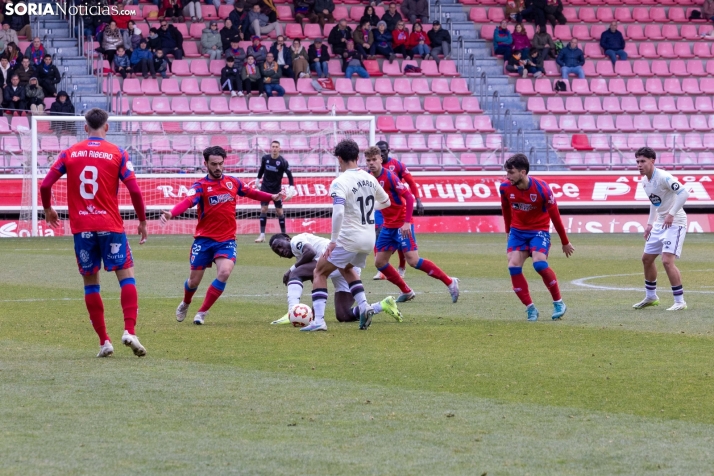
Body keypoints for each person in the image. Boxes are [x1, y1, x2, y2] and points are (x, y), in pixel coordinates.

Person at [39, 108, 148, 357]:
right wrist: (142, 220)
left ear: (85, 128)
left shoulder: (70, 153)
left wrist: (47, 209)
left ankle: (104, 342)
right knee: (126, 277)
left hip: (83, 229)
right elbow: (135, 191)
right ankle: (129, 331)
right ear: (106, 127)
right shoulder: (118, 153)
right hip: (110, 226)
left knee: (91, 284)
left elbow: (45, 184)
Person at [161, 146, 286, 325]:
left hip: (226, 240)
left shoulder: (233, 182)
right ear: (205, 164)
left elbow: (251, 192)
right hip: (203, 240)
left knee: (225, 271)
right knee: (193, 281)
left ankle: (202, 312)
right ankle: (186, 302)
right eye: (213, 164)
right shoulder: (200, 186)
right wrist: (171, 213)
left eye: (220, 163)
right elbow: (188, 201)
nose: (218, 167)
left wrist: (271, 196)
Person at [300, 139, 391, 332]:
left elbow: (339, 212)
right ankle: (364, 307)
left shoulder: (340, 182)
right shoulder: (370, 178)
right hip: (368, 238)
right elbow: (386, 202)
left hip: (349, 238)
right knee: (347, 267)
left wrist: (333, 241)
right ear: (358, 157)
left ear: (339, 159)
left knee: (319, 272)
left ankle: (319, 321)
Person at [366, 146, 459, 303]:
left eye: (374, 159)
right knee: (380, 262)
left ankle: (450, 282)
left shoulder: (390, 177)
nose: (371, 163)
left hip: (402, 223)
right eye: (368, 160)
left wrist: (407, 223)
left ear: (380, 159)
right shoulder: (368, 177)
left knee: (413, 261)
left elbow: (408, 198)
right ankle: (406, 291)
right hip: (388, 226)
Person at [499, 153, 573, 321]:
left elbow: (556, 216)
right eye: (507, 173)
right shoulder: (505, 188)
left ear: (523, 172)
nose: (507, 177)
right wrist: (507, 231)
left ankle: (558, 302)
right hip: (517, 232)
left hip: (539, 231)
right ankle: (530, 308)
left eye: (511, 173)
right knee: (513, 266)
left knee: (539, 264)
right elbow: (505, 209)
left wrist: (565, 242)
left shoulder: (542, 189)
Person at [269, 232, 402, 324]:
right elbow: (318, 283)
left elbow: (311, 252)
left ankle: (292, 311)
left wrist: (291, 270)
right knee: (343, 315)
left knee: (295, 274)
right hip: (346, 265)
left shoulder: (296, 241)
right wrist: (313, 313)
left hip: (336, 258)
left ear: (287, 238)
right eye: (277, 252)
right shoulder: (301, 258)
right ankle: (383, 305)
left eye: (279, 246)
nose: (280, 251)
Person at [632, 147, 690, 312]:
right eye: (637, 161)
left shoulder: (664, 177)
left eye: (643, 161)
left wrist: (671, 214)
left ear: (652, 161)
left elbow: (684, 193)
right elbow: (654, 201)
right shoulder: (645, 181)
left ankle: (680, 301)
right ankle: (651, 297)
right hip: (660, 223)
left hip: (675, 222)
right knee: (646, 259)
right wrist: (650, 223)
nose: (639, 165)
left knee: (666, 261)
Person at [372, 140, 422, 280]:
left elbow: (411, 183)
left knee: (400, 240)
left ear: (388, 150)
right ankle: (381, 268)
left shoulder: (398, 166)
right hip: (380, 207)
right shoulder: (372, 170)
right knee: (377, 233)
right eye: (379, 151)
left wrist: (418, 199)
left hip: (396, 208)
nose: (382, 153)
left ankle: (401, 267)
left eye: (384, 150)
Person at [255, 140, 295, 242]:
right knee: (264, 209)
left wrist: (291, 187)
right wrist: (257, 180)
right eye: (273, 146)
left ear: (279, 148)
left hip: (277, 189)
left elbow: (290, 175)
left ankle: (284, 235)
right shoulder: (265, 158)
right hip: (265, 188)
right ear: (270, 148)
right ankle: (262, 235)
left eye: (276, 146)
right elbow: (261, 170)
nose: (274, 148)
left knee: (279, 211)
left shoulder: (283, 162)